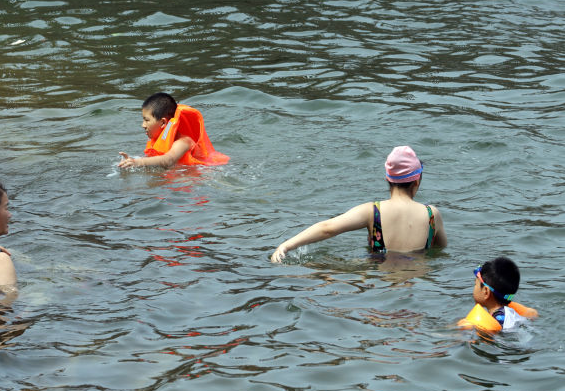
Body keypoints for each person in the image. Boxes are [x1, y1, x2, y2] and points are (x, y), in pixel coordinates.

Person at [271, 145, 447, 263]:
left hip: (381, 281)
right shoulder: (432, 215)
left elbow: (328, 228)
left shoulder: (373, 212)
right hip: (417, 287)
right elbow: (441, 251)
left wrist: (285, 246)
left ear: (388, 179)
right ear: (416, 181)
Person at [118, 92, 229, 169]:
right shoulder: (158, 141)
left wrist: (138, 162)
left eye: (147, 120)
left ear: (163, 123)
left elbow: (168, 160)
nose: (143, 125)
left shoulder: (184, 142)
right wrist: (130, 162)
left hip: (205, 175)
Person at [458, 257, 537, 332]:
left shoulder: (497, 321)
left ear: (486, 292)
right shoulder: (511, 314)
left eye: (475, 284)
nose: (474, 288)